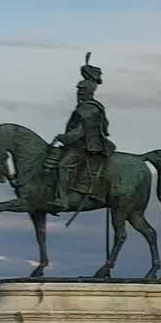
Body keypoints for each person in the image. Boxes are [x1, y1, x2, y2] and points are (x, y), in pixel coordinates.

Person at [46, 53, 116, 210]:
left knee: (64, 165)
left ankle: (62, 199)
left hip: (85, 147)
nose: (78, 93)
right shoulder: (88, 107)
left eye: (81, 91)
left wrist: (63, 137)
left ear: (87, 92)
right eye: (78, 90)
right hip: (78, 145)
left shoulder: (88, 108)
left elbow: (80, 132)